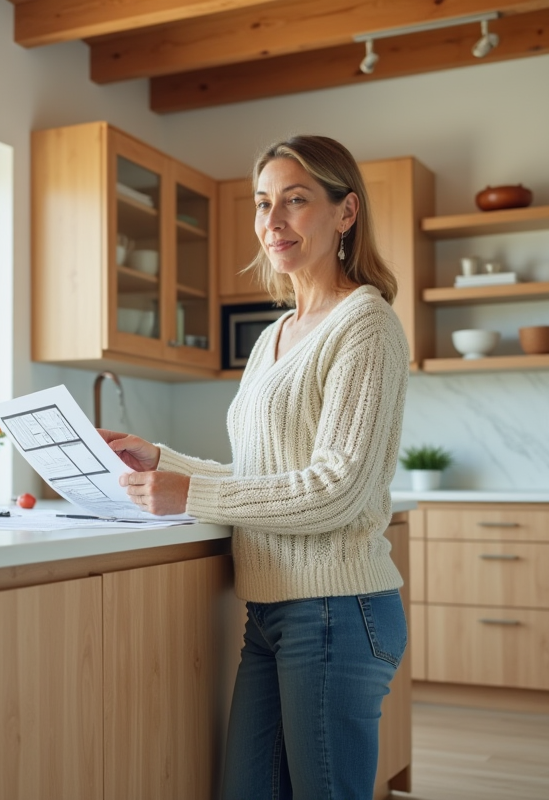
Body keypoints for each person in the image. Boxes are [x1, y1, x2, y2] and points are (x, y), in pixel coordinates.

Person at [99, 135, 409, 799]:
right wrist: (160, 459)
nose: (273, 221)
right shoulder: (275, 334)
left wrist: (191, 493)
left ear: (345, 212)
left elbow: (335, 491)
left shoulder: (366, 323)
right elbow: (258, 471)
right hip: (270, 612)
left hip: (334, 607)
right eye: (264, 203)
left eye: (296, 201)